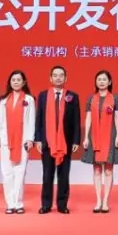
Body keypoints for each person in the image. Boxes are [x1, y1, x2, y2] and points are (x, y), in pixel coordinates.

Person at [35, 65, 81, 214]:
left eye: (61, 75)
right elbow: (39, 119)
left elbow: (76, 120)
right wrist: (38, 139)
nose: (58, 78)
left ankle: (62, 205)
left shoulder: (72, 96)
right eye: (55, 75)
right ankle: (46, 205)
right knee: (47, 174)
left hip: (65, 141)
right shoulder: (43, 96)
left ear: (66, 78)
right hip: (47, 141)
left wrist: (76, 140)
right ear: (50, 78)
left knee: (64, 175)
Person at [82, 70, 118, 213]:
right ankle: (98, 201)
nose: (101, 82)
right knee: (96, 170)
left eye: (104, 79)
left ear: (109, 82)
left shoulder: (115, 98)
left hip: (110, 136)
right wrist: (86, 137)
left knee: (108, 170)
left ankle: (105, 201)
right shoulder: (91, 98)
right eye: (99, 79)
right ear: (96, 82)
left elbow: (117, 118)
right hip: (94, 136)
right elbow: (88, 118)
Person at [0, 70, 36, 214]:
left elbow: (31, 121)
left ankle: (18, 203)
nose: (16, 82)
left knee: (20, 172)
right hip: (6, 140)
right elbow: (0, 120)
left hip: (22, 140)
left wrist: (30, 139)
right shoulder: (4, 100)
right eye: (13, 80)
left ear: (24, 82)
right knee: (6, 172)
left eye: (19, 80)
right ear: (10, 82)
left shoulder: (29, 100)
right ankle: (10, 203)